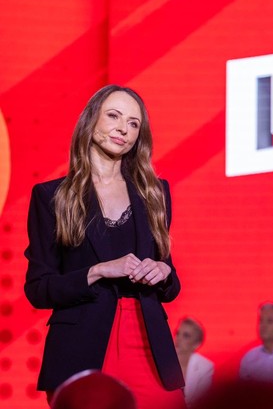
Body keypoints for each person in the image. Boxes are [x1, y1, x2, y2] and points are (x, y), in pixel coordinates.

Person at [24, 85, 185, 409]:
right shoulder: (52, 196)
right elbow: (38, 289)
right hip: (81, 346)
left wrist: (163, 271)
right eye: (113, 115)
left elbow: (170, 285)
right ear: (91, 120)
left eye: (133, 123)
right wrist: (98, 271)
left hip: (147, 341)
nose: (123, 128)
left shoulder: (155, 193)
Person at [175, 316, 214, 406]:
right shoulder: (162, 362)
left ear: (196, 344)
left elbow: (202, 403)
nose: (178, 338)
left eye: (186, 335)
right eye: (177, 333)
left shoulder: (206, 367)